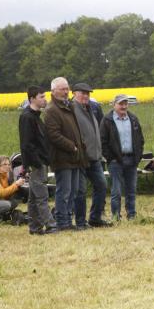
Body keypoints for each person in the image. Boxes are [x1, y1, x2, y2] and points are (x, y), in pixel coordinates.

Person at [44, 76, 86, 231]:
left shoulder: (68, 106)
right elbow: (53, 135)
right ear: (53, 91)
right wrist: (72, 146)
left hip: (74, 157)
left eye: (67, 88)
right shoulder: (51, 110)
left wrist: (80, 146)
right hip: (62, 158)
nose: (66, 92)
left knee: (73, 191)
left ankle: (68, 219)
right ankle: (62, 222)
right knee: (64, 191)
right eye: (62, 89)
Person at [71, 82, 111, 229]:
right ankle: (80, 222)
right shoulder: (71, 109)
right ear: (74, 93)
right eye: (83, 93)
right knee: (80, 191)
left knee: (101, 185)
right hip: (80, 157)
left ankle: (95, 218)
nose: (86, 96)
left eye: (88, 93)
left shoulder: (91, 108)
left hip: (94, 157)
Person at [19, 85, 57, 235]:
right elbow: (26, 144)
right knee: (42, 196)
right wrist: (36, 162)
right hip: (37, 163)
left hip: (40, 161)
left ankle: (35, 227)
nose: (44, 99)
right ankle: (51, 225)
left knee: (34, 197)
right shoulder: (27, 117)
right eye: (41, 97)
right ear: (32, 99)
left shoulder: (35, 116)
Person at [100, 94, 145, 221]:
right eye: (121, 104)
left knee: (131, 190)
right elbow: (102, 141)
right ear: (114, 105)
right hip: (115, 161)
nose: (124, 106)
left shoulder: (133, 119)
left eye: (125, 104)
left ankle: (131, 215)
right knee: (117, 191)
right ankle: (116, 216)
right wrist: (110, 158)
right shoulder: (107, 120)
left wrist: (138, 156)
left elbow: (140, 139)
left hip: (132, 159)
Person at [0, 155, 27, 224]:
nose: (7, 166)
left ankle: (2, 216)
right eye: (5, 164)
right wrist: (16, 184)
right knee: (7, 204)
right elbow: (2, 193)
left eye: (9, 164)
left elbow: (7, 191)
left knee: (15, 201)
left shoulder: (4, 175)